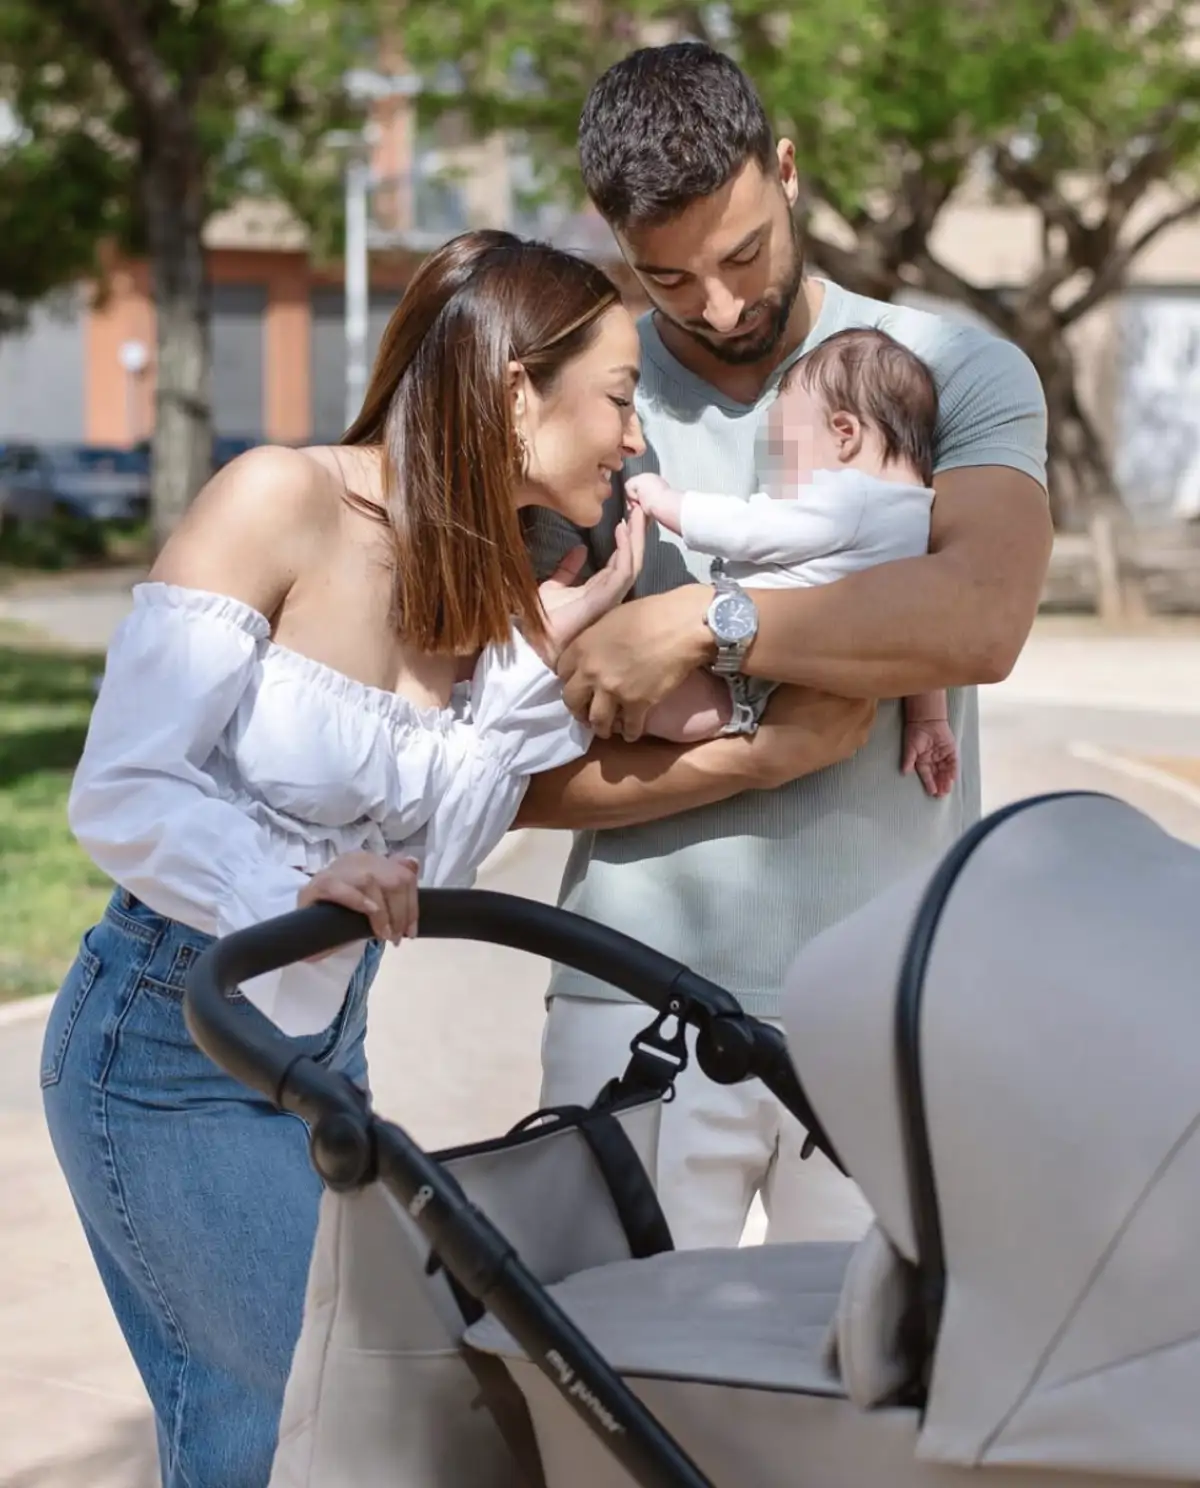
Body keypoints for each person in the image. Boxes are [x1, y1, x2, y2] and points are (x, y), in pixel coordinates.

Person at [39, 229, 818, 1488]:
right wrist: (293, 889)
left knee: (331, 1422)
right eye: (619, 397)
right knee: (278, 1425)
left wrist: (549, 646)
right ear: (516, 392)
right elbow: (123, 785)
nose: (634, 439)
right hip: (170, 1043)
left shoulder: (488, 583)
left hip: (321, 1055)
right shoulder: (280, 501)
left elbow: (444, 847)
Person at [520, 42, 1051, 1251]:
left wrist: (703, 621)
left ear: (790, 171)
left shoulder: (951, 371)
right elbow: (505, 768)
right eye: (667, 278)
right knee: (612, 1366)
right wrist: (763, 756)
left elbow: (980, 619)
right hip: (627, 999)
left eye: (744, 253)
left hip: (887, 1011)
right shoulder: (580, 398)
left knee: (875, 1374)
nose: (718, 306)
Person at [629, 325, 959, 799]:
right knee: (670, 710)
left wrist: (668, 502)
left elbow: (752, 529)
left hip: (751, 658)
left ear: (844, 434)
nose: (772, 473)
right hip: (799, 680)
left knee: (637, 694)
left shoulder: (853, 498)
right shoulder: (917, 519)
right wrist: (928, 719)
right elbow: (920, 641)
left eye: (781, 446)